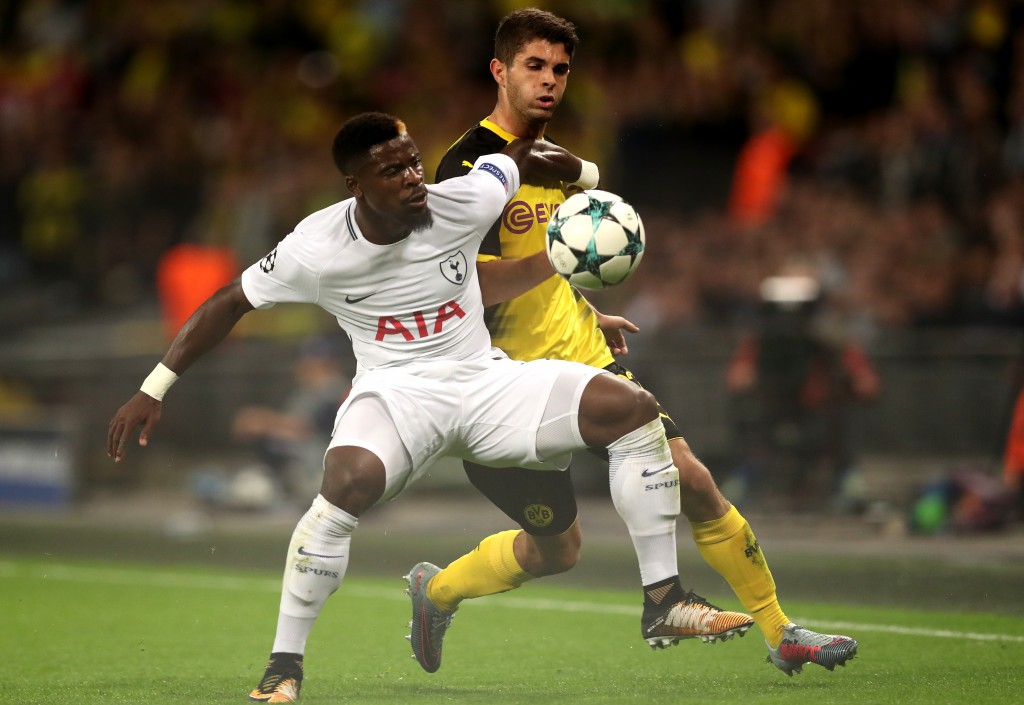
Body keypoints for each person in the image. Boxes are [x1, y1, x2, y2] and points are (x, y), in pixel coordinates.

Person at [107, 112, 701, 703]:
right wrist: (153, 387)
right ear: (356, 186)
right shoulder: (315, 248)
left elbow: (517, 155)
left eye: (414, 160)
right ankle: (283, 666)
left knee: (632, 407)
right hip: (396, 393)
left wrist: (589, 174)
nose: (415, 177)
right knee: (345, 482)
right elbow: (229, 302)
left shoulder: (462, 201)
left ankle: (662, 600)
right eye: (393, 170)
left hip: (484, 382)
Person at [417, 7, 858, 678]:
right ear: (499, 71)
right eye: (534, 66)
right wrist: (556, 266)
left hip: (585, 360)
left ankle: (780, 629)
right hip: (505, 385)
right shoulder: (469, 166)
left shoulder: (555, 165)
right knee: (557, 549)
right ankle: (438, 589)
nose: (549, 82)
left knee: (696, 480)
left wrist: (587, 309)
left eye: (560, 70)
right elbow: (466, 288)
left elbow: (547, 263)